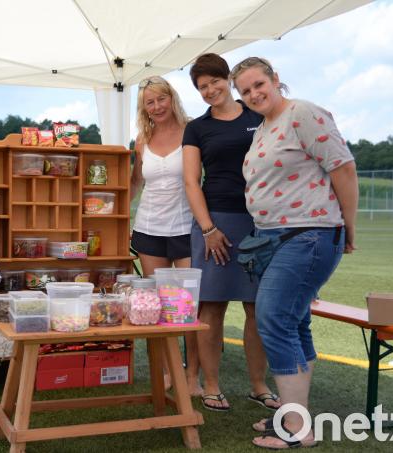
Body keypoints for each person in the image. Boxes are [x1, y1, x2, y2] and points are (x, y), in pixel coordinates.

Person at [230, 56, 358, 449]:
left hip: (308, 234)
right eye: (245, 91)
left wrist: (348, 227)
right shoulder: (265, 127)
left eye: (258, 85)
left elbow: (343, 169)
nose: (253, 94)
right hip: (275, 238)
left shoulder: (303, 113)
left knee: (273, 320)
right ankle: (291, 415)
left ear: (275, 80)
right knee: (295, 323)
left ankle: (297, 429)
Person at [182, 53, 279, 412]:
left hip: (262, 223)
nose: (210, 90)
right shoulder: (197, 128)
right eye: (202, 87)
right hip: (216, 223)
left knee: (258, 309)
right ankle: (211, 386)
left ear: (228, 79)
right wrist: (209, 229)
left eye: (214, 82)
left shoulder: (260, 115)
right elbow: (192, 182)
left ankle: (258, 385)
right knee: (212, 308)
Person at [129, 75, 200, 395]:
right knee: (155, 307)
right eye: (149, 102)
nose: (157, 107)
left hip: (186, 228)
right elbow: (133, 184)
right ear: (144, 108)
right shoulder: (141, 140)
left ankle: (192, 375)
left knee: (186, 309)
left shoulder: (193, 132)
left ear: (172, 98)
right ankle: (166, 372)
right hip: (148, 229)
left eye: (161, 99)